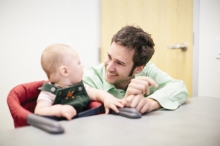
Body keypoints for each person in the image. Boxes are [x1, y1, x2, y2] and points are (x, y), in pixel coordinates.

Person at [83, 25, 189, 114]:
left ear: (138, 69)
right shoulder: (88, 78)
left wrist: (151, 102)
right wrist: (124, 104)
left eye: (119, 63)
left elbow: (179, 87)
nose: (109, 67)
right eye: (109, 57)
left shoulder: (147, 71)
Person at [34, 44, 125, 120]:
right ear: (65, 71)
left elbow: (97, 94)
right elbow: (39, 111)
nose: (82, 66)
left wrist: (107, 98)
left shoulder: (81, 87)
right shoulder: (49, 92)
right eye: (79, 63)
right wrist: (60, 110)